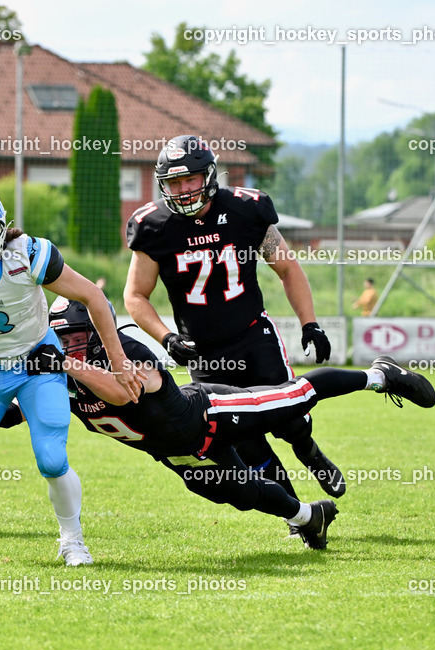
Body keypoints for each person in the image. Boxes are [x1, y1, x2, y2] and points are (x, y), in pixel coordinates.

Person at [0, 298, 435, 550]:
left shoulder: (125, 351)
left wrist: (64, 365)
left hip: (212, 412)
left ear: (99, 332)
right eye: (64, 340)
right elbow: (14, 414)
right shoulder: (58, 371)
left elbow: (125, 390)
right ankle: (309, 518)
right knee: (242, 494)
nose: (71, 347)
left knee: (296, 396)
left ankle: (380, 376)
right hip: (177, 452)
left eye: (78, 338)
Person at [0, 185, 140, 566]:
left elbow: (94, 297)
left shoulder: (28, 257)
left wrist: (118, 362)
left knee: (51, 459)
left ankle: (72, 541)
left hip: (37, 362)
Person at [124, 135, 345, 516]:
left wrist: (310, 324)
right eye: (174, 183)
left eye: (190, 180)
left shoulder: (246, 209)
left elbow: (287, 268)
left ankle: (309, 452)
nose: (183, 190)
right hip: (203, 353)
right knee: (247, 443)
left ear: (208, 175)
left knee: (290, 417)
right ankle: (300, 513)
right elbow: (135, 296)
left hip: (252, 336)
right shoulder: (154, 225)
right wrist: (166, 336)